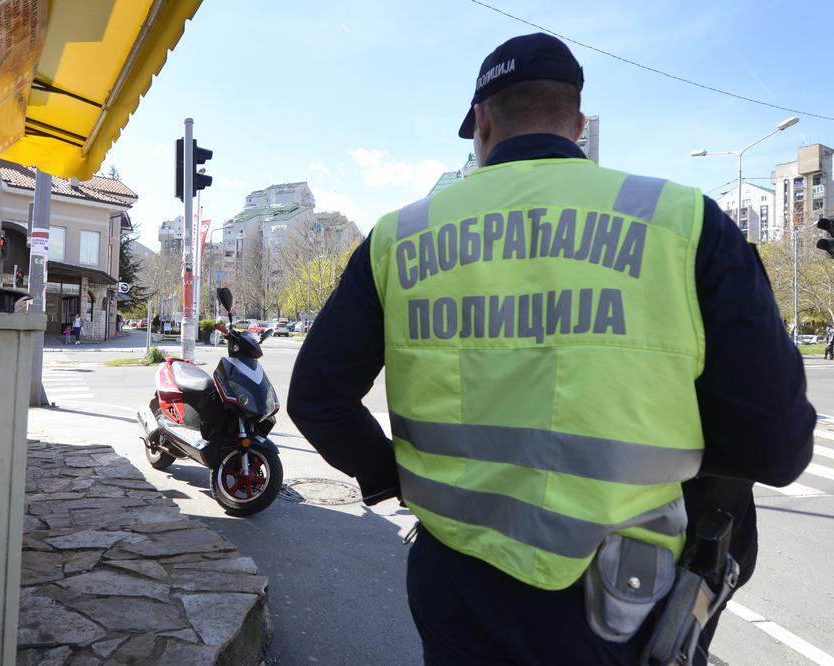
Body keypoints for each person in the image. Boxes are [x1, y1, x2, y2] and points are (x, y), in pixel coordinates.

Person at [287, 33, 815, 665]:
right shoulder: (683, 223)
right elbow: (776, 447)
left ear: (482, 124)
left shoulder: (399, 238)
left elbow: (317, 399)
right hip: (623, 601)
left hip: (457, 583)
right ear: (578, 125)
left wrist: (393, 477)